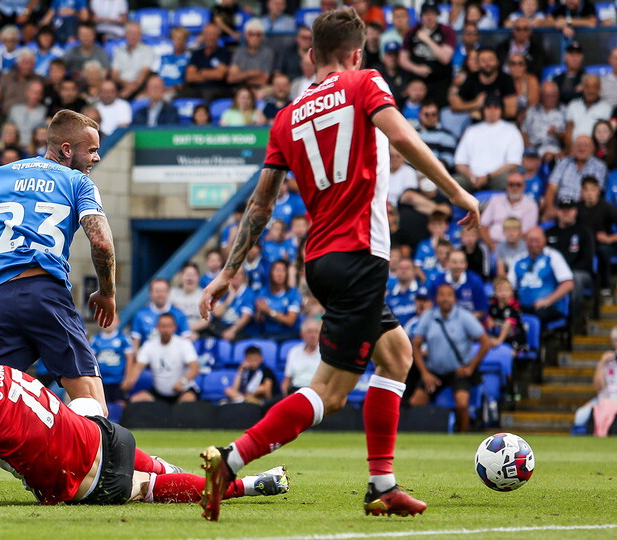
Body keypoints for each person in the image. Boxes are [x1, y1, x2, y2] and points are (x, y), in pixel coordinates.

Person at [196, 9, 479, 521]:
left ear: (310, 55)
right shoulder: (364, 82)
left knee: (396, 356)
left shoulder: (286, 116)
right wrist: (459, 193)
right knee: (330, 390)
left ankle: (382, 485)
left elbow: (260, 207)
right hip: (359, 256)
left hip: (320, 262)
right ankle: (230, 461)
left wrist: (227, 272)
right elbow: (406, 140)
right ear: (356, 54)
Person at [0, 330, 289, 506]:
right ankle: (166, 466)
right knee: (78, 408)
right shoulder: (2, 371)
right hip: (105, 433)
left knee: (148, 489)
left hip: (88, 477)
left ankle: (249, 485)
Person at [0, 110, 115, 413]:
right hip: (47, 295)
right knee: (91, 401)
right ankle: (102, 461)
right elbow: (101, 241)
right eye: (92, 150)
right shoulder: (76, 182)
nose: (96, 158)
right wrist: (107, 293)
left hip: (2, 299)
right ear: (67, 149)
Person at [409, 283, 491, 433]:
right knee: (415, 402)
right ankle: (424, 435)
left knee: (461, 403)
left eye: (449, 295)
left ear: (454, 298)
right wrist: (425, 373)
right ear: (436, 298)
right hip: (434, 372)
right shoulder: (428, 316)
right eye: (441, 294)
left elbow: (485, 342)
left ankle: (462, 434)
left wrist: (470, 367)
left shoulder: (464, 316)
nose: (445, 298)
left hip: (458, 372)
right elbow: (416, 345)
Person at [453, 95, 524, 192]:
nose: (492, 111)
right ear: (483, 110)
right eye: (488, 107)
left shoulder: (511, 130)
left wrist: (487, 177)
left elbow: (513, 163)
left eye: (496, 107)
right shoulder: (471, 131)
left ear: (501, 110)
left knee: (508, 180)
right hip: (471, 178)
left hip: (497, 178)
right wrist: (471, 177)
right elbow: (459, 162)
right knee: (451, 183)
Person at [125, 313, 200, 404]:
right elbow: (138, 367)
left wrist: (182, 382)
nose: (165, 330)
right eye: (162, 326)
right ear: (157, 327)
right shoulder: (149, 345)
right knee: (135, 401)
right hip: (159, 392)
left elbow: (195, 368)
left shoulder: (184, 344)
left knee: (188, 400)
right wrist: (130, 381)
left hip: (182, 391)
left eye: (169, 326)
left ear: (174, 327)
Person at [509, 227, 575, 325]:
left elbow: (568, 284)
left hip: (548, 307)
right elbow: (510, 285)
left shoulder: (553, 256)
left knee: (537, 315)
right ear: (525, 241)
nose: (533, 244)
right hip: (523, 306)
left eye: (537, 240)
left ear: (544, 240)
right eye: (530, 240)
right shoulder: (518, 260)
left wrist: (547, 301)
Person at [399, 2, 456, 107]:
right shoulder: (412, 31)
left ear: (437, 15)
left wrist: (427, 40)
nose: (429, 17)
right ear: (421, 16)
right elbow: (402, 59)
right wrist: (416, 68)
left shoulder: (446, 31)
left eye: (432, 14)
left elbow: (445, 58)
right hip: (417, 79)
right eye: (426, 14)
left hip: (439, 80)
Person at [545, 135, 607, 217]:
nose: (582, 148)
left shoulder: (599, 166)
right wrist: (550, 208)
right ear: (573, 148)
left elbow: (595, 193)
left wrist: (572, 212)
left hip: (584, 211)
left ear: (592, 149)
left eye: (586, 145)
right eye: (578, 145)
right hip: (560, 209)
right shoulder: (563, 163)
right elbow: (552, 188)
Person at [578, 176, 617, 294]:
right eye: (586, 190)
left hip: (603, 244)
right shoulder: (577, 208)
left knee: (603, 251)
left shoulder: (606, 207)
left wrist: (609, 239)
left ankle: (605, 287)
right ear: (581, 191)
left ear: (598, 191)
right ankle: (586, 288)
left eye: (592, 189)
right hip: (583, 244)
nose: (589, 193)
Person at [131, 278, 190, 350]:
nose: (160, 294)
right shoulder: (140, 314)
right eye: (157, 291)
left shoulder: (179, 314)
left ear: (168, 292)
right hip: (147, 357)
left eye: (163, 291)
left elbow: (186, 340)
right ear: (150, 293)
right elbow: (135, 342)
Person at [90, 314, 133, 407]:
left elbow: (130, 359)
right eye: (104, 319)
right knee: (101, 405)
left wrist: (128, 378)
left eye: (112, 320)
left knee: (120, 404)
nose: (108, 323)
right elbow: (90, 360)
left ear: (118, 322)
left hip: (118, 381)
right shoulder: (95, 339)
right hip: (101, 381)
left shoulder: (123, 339)